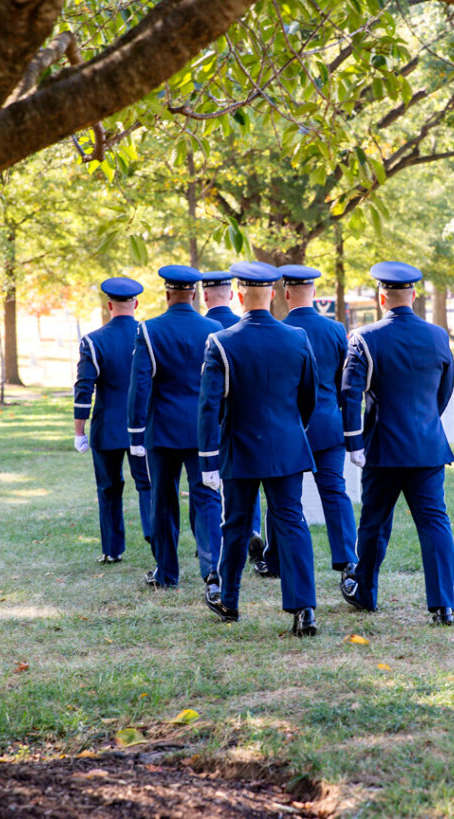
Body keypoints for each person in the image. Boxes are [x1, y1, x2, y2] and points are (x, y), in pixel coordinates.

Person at [197, 260, 320, 636]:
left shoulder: (221, 342)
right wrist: (288, 430)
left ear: (237, 295)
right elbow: (308, 398)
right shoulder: (297, 337)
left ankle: (229, 600)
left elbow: (209, 407)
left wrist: (207, 460)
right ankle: (304, 609)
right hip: (286, 446)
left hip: (241, 447)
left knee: (234, 524)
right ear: (272, 294)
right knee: (291, 522)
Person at [339, 261, 454, 625]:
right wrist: (425, 421)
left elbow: (349, 392)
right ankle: (443, 605)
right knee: (435, 521)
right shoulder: (438, 335)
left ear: (381, 297)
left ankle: (365, 592)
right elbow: (445, 387)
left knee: (374, 522)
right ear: (413, 295)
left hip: (384, 447)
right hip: (426, 445)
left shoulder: (365, 337)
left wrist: (354, 441)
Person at [128, 265, 224, 598]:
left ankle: (167, 572)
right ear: (195, 294)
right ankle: (214, 571)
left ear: (167, 294)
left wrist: (135, 434)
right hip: (202, 430)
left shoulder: (149, 330)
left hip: (163, 430)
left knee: (163, 502)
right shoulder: (214, 328)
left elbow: (139, 386)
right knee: (208, 498)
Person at [259, 264, 357, 582]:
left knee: (283, 498)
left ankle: (274, 559)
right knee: (334, 491)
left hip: (289, 428)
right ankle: (346, 558)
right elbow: (345, 382)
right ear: (313, 294)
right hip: (329, 424)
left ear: (286, 295)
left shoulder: (278, 331)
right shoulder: (336, 330)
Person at [73, 276, 152, 564]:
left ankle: (112, 549)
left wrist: (79, 431)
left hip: (107, 426)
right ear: (136, 304)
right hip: (142, 425)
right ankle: (155, 536)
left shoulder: (93, 341)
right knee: (147, 484)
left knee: (108, 487)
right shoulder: (149, 335)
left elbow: (84, 389)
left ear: (109, 306)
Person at [201, 269, 267, 567]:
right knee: (247, 479)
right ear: (231, 295)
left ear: (203, 295)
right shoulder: (243, 325)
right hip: (245, 416)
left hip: (210, 414)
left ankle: (217, 540)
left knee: (217, 484)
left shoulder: (204, 329)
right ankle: (251, 529)